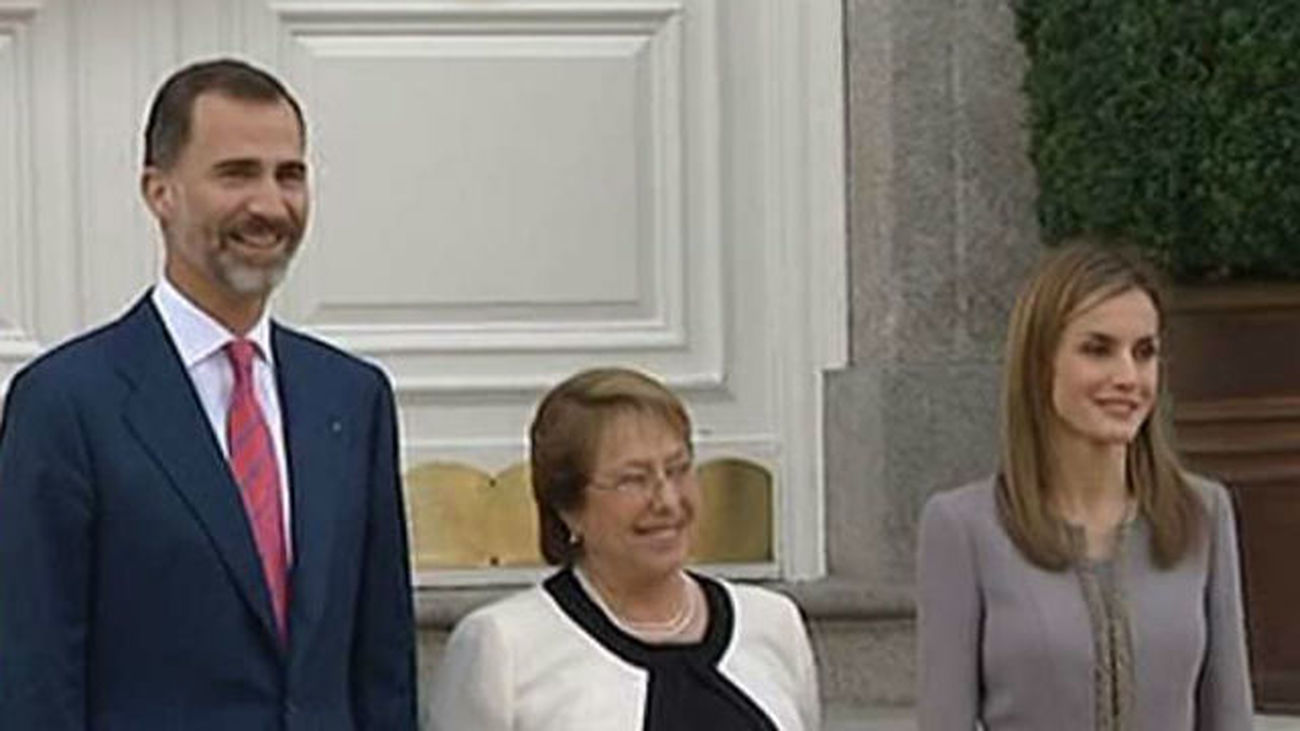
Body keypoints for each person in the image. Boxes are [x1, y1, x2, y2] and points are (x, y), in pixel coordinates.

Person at [0, 58, 417, 729]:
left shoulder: (353, 398)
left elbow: (384, 664)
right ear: (159, 191)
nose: (270, 204)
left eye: (290, 174)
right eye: (236, 173)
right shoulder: (66, 404)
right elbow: (33, 673)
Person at [916, 240, 1253, 730]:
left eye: (1144, 353)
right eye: (1098, 350)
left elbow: (1229, 718)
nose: (1127, 376)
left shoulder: (1204, 513)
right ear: (1040, 363)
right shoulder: (963, 528)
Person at [429, 367, 819, 730]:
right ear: (569, 507)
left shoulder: (773, 623)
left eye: (679, 469)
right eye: (634, 480)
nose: (666, 500)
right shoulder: (505, 646)